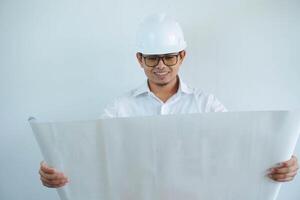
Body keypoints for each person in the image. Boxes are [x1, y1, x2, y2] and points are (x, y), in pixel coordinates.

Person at [39, 13, 298, 188]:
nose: (161, 66)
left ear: (182, 56)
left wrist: (282, 163)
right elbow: (90, 154)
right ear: (140, 59)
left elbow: (240, 150)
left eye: (169, 56)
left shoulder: (206, 106)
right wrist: (56, 167)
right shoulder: (119, 109)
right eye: (152, 58)